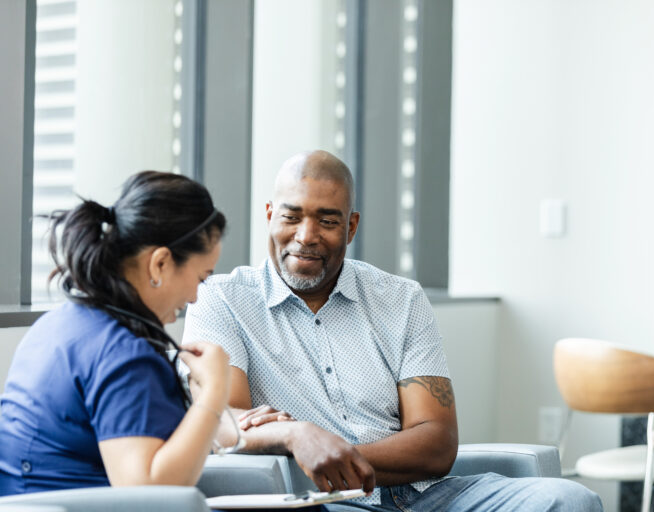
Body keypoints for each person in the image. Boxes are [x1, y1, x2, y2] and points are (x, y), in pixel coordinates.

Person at [182, 151, 603, 511]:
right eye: (291, 216)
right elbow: (225, 421)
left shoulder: (401, 300)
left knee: (569, 500)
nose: (305, 236)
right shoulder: (222, 300)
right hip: (314, 502)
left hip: (426, 497)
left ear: (351, 227)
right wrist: (298, 434)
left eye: (327, 221)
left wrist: (335, 457)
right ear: (271, 215)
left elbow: (436, 442)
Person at [0, 171, 232, 496]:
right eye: (201, 276)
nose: (195, 296)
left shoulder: (59, 323)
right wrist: (214, 393)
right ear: (160, 264)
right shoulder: (125, 353)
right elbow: (149, 495)